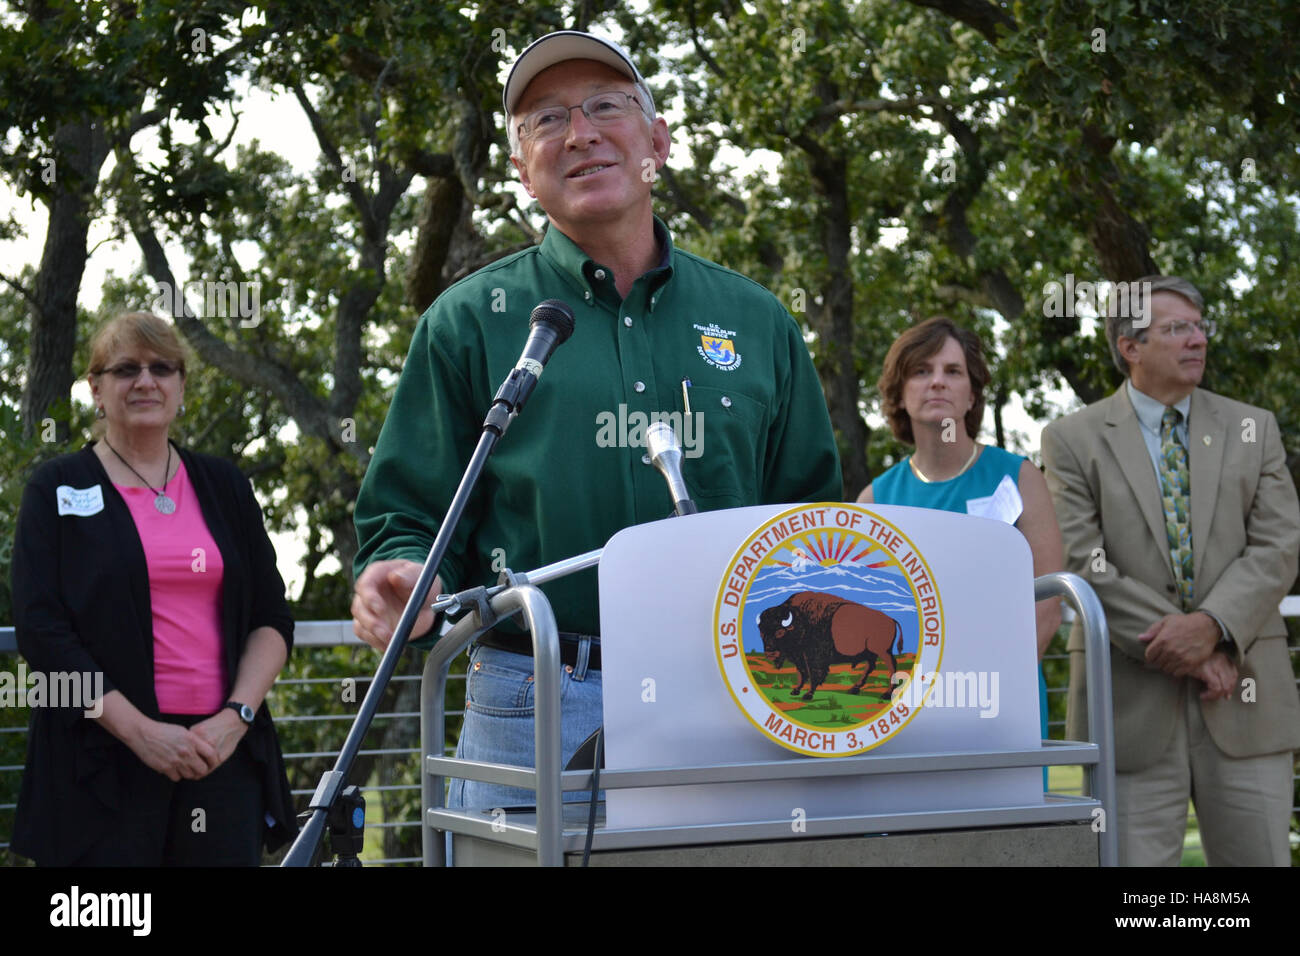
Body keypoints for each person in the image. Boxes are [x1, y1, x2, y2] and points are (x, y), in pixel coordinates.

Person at [351, 30, 842, 810]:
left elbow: (815, 516)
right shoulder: (468, 322)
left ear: (658, 141)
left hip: (736, 694)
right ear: (521, 168)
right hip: (535, 694)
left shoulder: (758, 320)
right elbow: (407, 516)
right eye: (545, 120)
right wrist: (410, 571)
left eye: (606, 107)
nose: (579, 133)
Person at [11, 312, 297, 866]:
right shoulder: (57, 488)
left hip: (218, 757)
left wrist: (234, 719)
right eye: (126, 369)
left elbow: (270, 617)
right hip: (101, 761)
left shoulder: (225, 486)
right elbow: (42, 632)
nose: (146, 381)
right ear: (96, 388)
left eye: (161, 368)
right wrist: (140, 732)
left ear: (182, 386)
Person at [1042, 276, 1300, 866]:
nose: (1197, 340)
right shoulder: (1071, 439)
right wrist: (1191, 644)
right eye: (1177, 328)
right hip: (1127, 710)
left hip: (1246, 701)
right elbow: (1083, 559)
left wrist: (1212, 627)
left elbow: (1279, 546)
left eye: (1200, 326)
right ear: (1130, 347)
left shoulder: (1253, 428)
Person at [857, 317, 1063, 771]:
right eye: (921, 371)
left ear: (972, 394)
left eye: (953, 371)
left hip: (1000, 711)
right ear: (899, 393)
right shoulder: (875, 500)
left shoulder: (1018, 478)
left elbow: (1047, 607)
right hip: (903, 719)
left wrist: (983, 693)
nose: (937, 382)